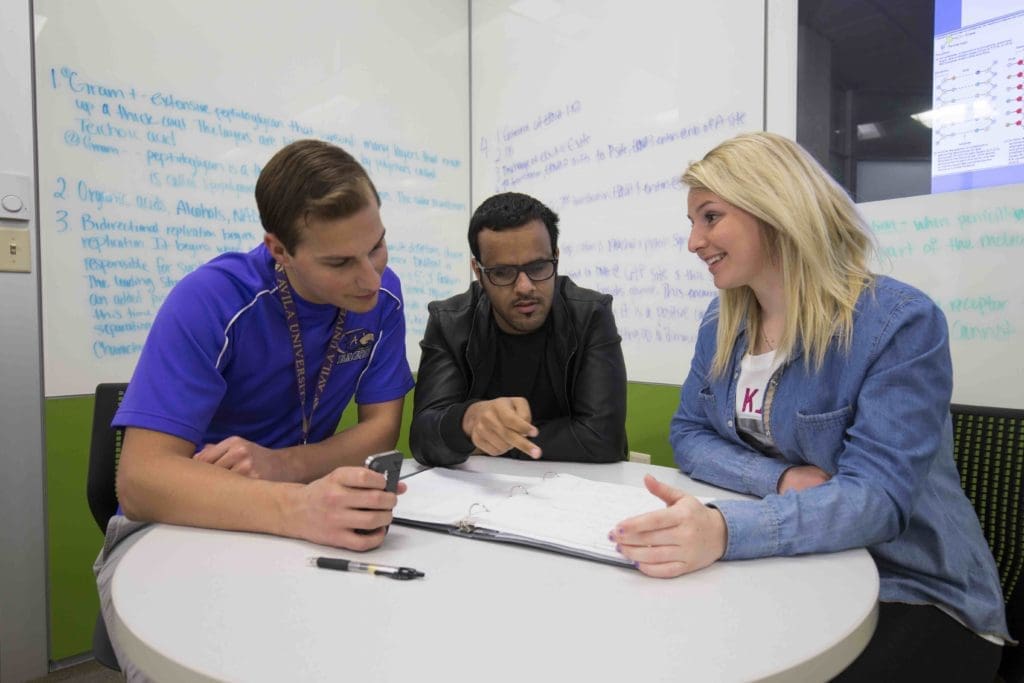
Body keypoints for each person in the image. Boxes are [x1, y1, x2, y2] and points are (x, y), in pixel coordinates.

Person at [609, 132, 1009, 680]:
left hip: (911, 589)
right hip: (795, 568)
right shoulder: (720, 323)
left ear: (773, 207)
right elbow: (689, 434)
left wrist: (726, 530)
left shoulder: (898, 323)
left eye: (710, 217)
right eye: (692, 223)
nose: (694, 242)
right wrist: (780, 479)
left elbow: (875, 501)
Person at [95, 139, 415, 679]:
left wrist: (283, 466)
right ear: (279, 250)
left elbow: (382, 430)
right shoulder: (210, 299)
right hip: (184, 521)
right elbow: (140, 482)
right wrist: (296, 506)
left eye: (377, 247)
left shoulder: (383, 300)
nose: (370, 278)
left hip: (300, 510)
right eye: (340, 261)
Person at [410, 191, 627, 466]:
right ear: (478, 272)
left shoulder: (590, 314)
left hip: (576, 493)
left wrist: (489, 442)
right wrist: (469, 419)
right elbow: (422, 438)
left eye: (537, 267)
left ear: (556, 259)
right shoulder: (450, 321)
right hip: (481, 497)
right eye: (502, 272)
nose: (524, 287)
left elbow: (604, 439)